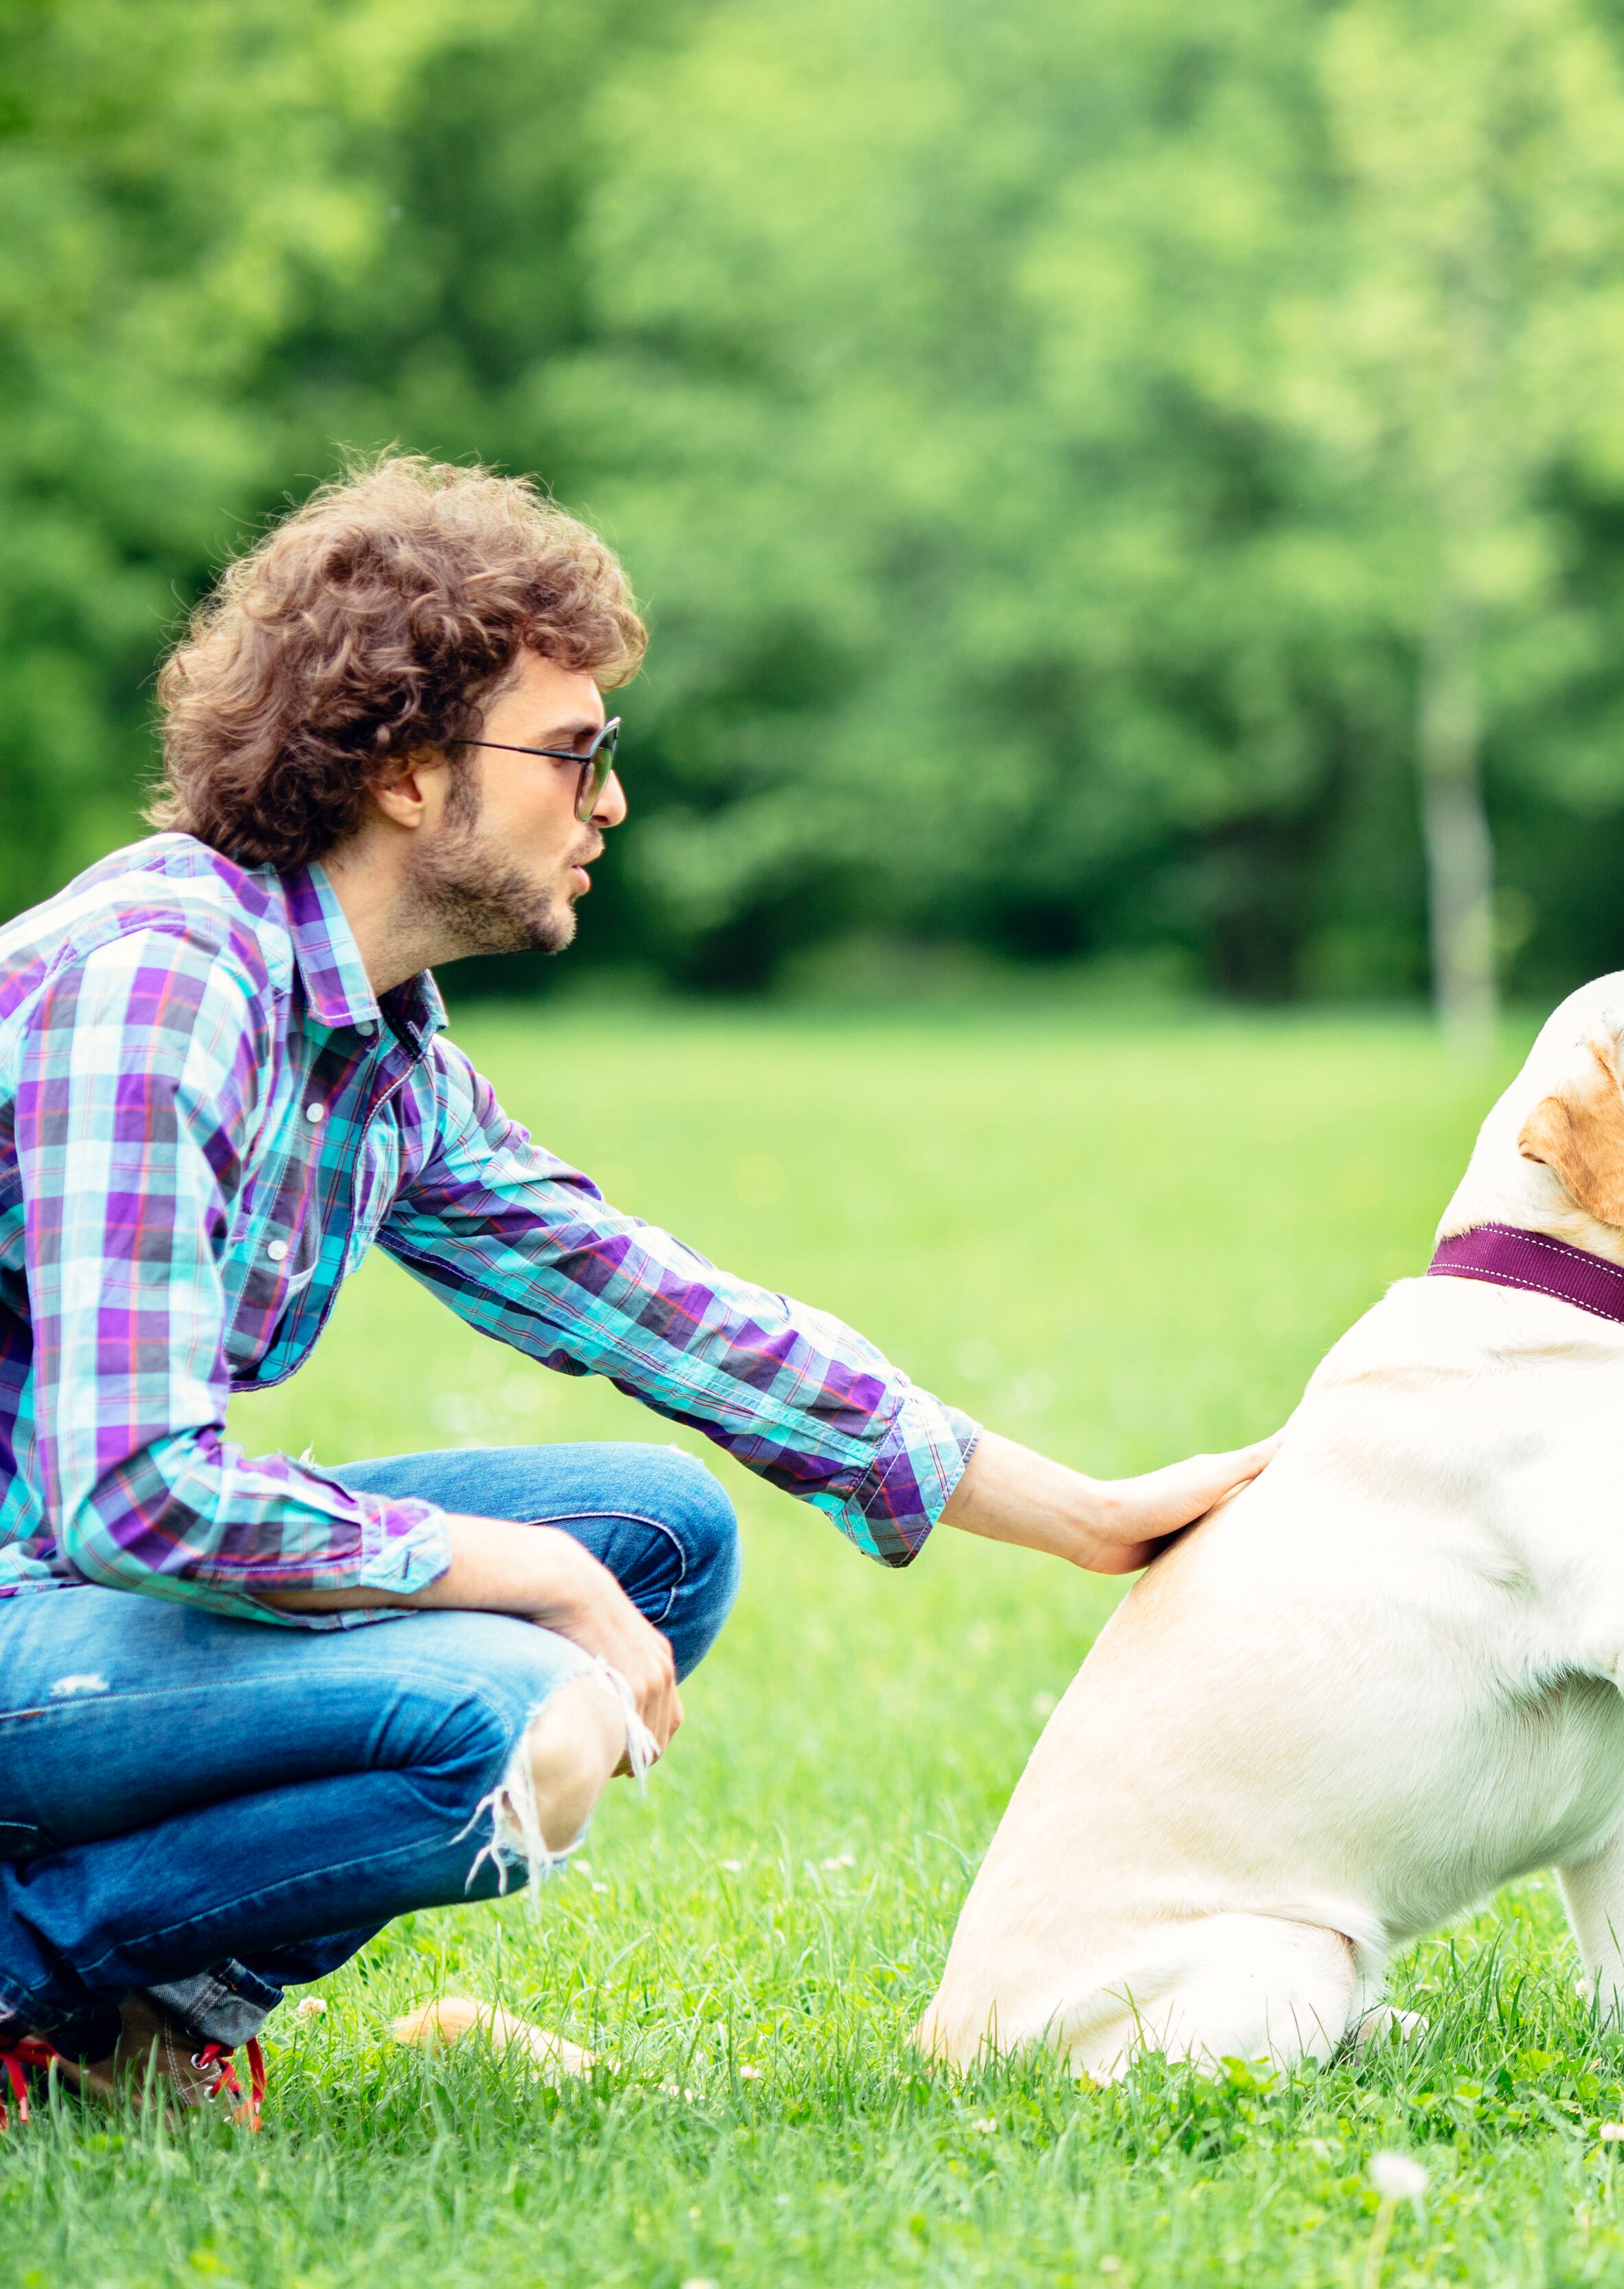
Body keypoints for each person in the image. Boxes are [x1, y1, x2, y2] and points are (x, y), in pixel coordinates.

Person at [0, 456, 1270, 2123]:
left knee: (656, 1539)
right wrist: (524, 1579)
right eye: (576, 752)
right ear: (401, 766)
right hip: (47, 1584)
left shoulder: (375, 1044)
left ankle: (145, 2018)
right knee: (507, 1713)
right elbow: (136, 1492)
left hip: (53, 1601)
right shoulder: (162, 983)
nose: (607, 802)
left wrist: (1087, 1513)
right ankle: (34, 1973)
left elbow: (663, 1310)